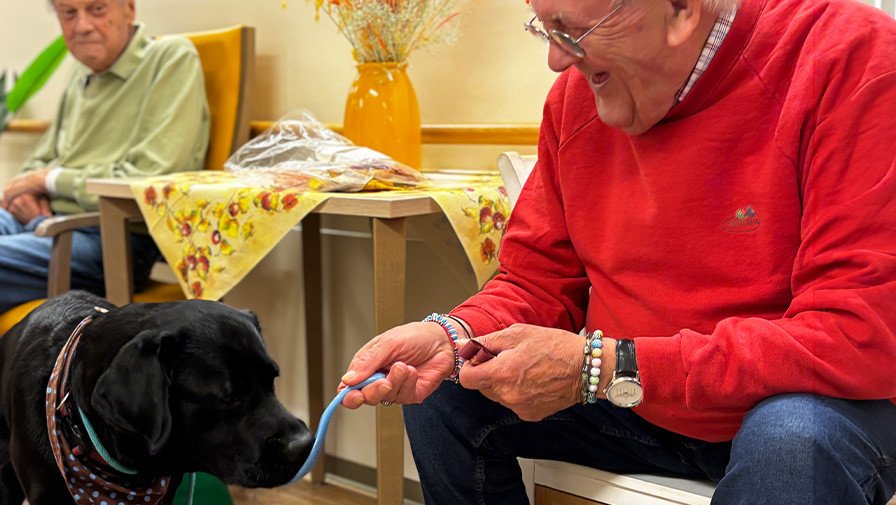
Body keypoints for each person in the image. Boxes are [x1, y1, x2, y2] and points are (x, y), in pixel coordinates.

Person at [338, 0, 896, 502]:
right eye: (545, 29)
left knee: (792, 443)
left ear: (680, 9)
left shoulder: (846, 56)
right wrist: (453, 336)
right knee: (445, 390)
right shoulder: (576, 101)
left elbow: (856, 333)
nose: (557, 62)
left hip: (810, 407)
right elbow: (536, 284)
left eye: (574, 33)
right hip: (642, 402)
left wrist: (606, 367)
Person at [0, 0, 209, 312]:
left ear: (129, 8)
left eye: (97, 9)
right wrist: (31, 192)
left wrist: (48, 180)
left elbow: (149, 179)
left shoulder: (171, 59)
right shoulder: (80, 74)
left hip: (111, 240)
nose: (82, 25)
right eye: (69, 13)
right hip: (41, 224)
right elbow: (40, 160)